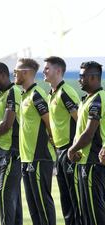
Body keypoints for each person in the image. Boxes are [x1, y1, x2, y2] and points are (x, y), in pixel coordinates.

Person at [14, 58, 56, 225]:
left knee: (43, 205)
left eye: (16, 71)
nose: (14, 74)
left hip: (39, 158)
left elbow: (49, 123)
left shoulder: (37, 95)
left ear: (26, 72)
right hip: (26, 159)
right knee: (33, 208)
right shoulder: (25, 95)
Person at [43, 56, 81, 225]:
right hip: (59, 152)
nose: (44, 71)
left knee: (75, 200)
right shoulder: (51, 94)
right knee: (65, 199)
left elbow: (81, 120)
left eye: (47, 68)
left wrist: (75, 148)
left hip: (69, 151)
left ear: (58, 71)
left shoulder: (66, 92)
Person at [68, 61, 105, 225]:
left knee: (95, 212)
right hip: (85, 161)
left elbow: (89, 133)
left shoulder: (97, 100)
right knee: (88, 212)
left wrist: (72, 149)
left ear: (92, 78)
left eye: (81, 76)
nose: (79, 79)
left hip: (93, 162)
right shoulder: (88, 99)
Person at [0, 62, 23, 225]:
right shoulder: (3, 95)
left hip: (11, 151)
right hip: (4, 150)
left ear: (3, 75)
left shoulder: (13, 91)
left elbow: (7, 123)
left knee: (5, 195)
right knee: (13, 198)